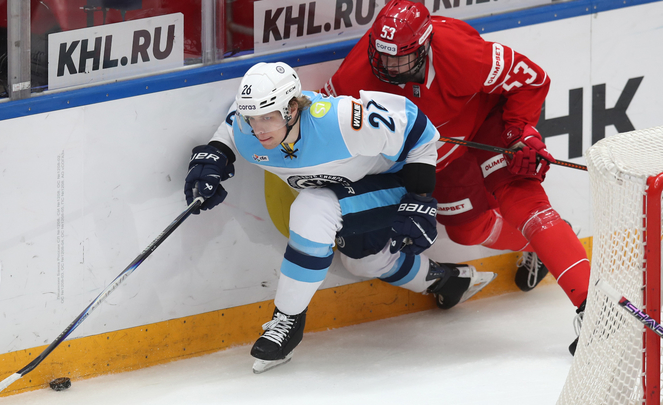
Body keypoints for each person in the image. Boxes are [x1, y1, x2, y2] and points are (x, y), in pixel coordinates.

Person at [184, 61, 496, 373]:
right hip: (350, 189)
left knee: (313, 208)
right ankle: (448, 282)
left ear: (292, 108)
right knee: (365, 262)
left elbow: (419, 130)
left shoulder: (341, 121)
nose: (259, 129)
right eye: (252, 118)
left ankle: (287, 321)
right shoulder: (246, 128)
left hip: (397, 183)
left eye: (268, 117)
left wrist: (420, 198)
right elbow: (229, 129)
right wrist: (212, 159)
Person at [321, 0, 590, 355]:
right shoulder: (354, 76)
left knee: (523, 200)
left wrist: (518, 132)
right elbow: (323, 126)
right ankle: (545, 243)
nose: (387, 65)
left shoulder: (460, 53)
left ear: (425, 46)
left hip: (486, 123)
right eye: (381, 54)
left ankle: (594, 310)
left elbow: (532, 79)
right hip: (434, 159)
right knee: (467, 231)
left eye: (399, 57)